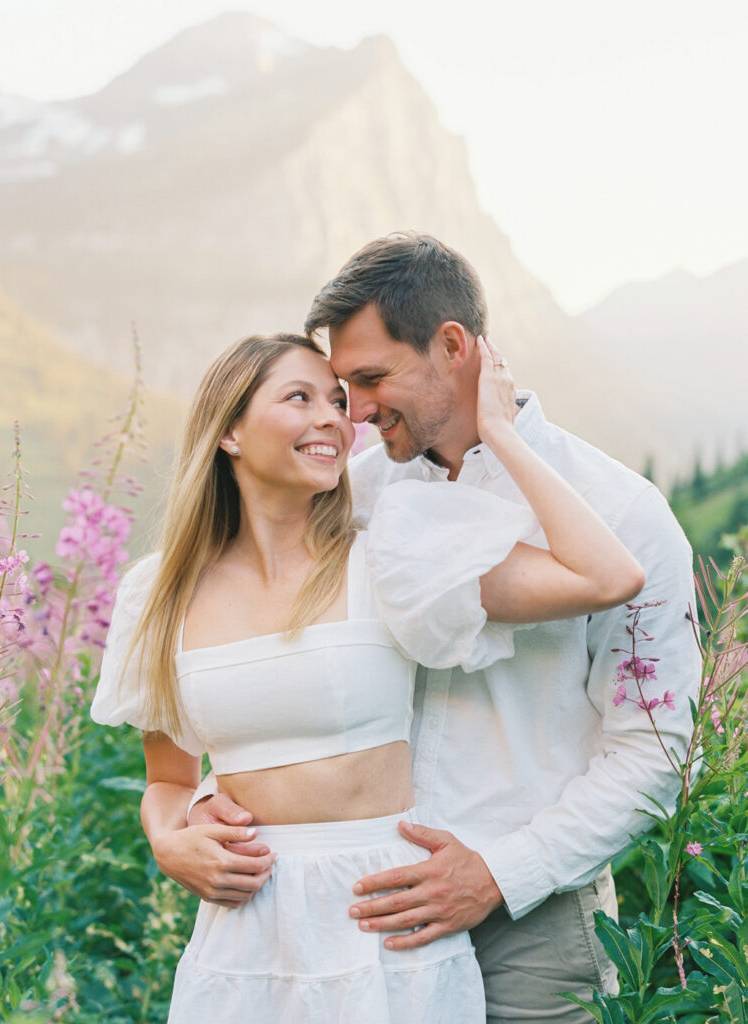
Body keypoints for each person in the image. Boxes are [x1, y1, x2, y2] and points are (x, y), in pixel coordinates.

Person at [175, 234, 701, 1023]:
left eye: (371, 378)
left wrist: (498, 872)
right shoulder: (352, 494)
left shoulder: (623, 516)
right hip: (360, 924)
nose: (352, 409)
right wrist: (211, 804)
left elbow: (655, 752)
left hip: (538, 927)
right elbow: (299, 675)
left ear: (453, 347)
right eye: (340, 384)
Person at [92, 328, 646, 1022]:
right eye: (300, 397)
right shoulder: (159, 594)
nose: (333, 417)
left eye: (336, 399)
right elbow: (169, 780)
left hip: (385, 920)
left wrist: (501, 431)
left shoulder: (392, 557)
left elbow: (610, 575)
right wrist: (170, 842)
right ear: (229, 431)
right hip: (244, 938)